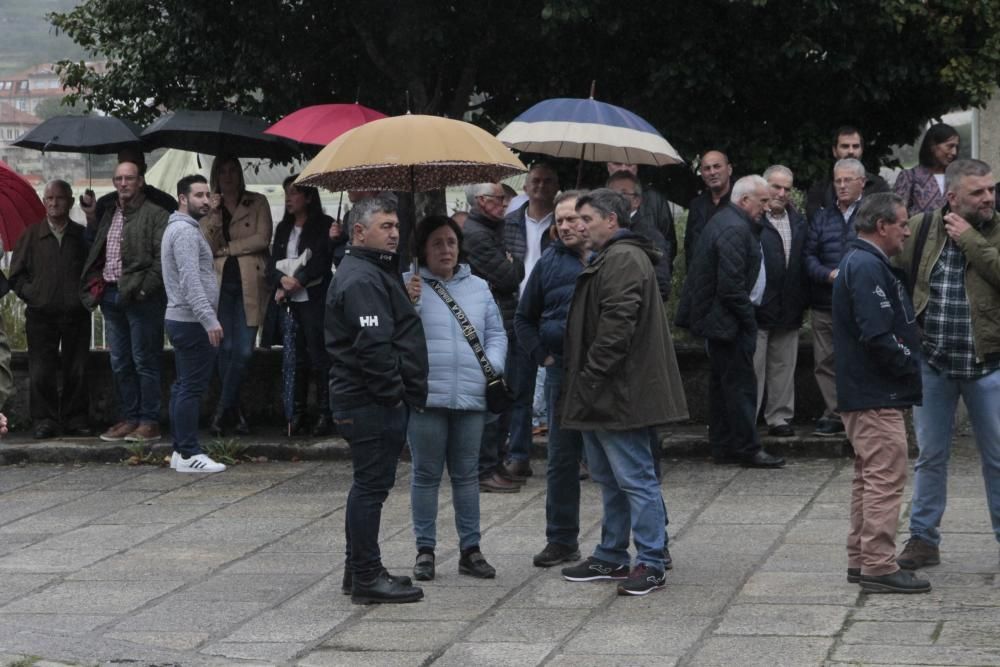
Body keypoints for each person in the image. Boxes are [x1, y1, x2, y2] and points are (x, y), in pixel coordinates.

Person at [560, 189, 684, 596]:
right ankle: (612, 554)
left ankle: (650, 560)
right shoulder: (611, 258)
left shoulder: (624, 259)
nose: (579, 226)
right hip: (605, 392)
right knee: (610, 478)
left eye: (587, 219)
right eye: (576, 220)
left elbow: (617, 328)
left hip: (619, 393)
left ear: (611, 220)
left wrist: (590, 379)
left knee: (634, 477)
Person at [894, 159, 1000, 571]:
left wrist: (972, 239)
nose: (988, 198)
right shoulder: (922, 227)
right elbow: (893, 270)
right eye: (978, 192)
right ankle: (923, 539)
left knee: (997, 457)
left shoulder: (993, 230)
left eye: (990, 190)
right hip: (933, 362)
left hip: (988, 364)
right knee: (931, 455)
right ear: (952, 197)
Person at [326, 194, 428, 605]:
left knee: (368, 487)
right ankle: (366, 575)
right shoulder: (361, 277)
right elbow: (373, 346)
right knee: (370, 488)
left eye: (396, 226)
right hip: (368, 402)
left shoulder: (371, 272)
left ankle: (360, 569)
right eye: (385, 227)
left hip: (368, 399)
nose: (394, 234)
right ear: (359, 231)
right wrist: (393, 397)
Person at [832, 192, 929, 593]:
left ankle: (862, 558)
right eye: (903, 223)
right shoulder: (867, 266)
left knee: (868, 476)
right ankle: (878, 564)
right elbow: (878, 334)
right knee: (885, 477)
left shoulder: (861, 262)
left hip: (866, 392)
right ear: (881, 226)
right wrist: (910, 359)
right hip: (875, 393)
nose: (907, 231)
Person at [403, 215, 506, 581]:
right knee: (426, 475)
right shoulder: (408, 286)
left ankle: (471, 549)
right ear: (422, 250)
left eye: (451, 242)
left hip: (471, 395)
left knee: (466, 475)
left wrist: (490, 367)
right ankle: (425, 550)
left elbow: (496, 333)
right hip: (426, 397)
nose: (445, 250)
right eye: (436, 243)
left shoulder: (479, 286)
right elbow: (397, 336)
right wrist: (408, 303)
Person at [676, 176, 785, 468]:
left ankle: (724, 446)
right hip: (730, 322)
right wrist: (749, 320)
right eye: (762, 201)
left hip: (723, 321)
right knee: (739, 387)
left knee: (724, 386)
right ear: (745, 200)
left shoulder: (730, 222)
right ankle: (748, 448)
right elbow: (731, 286)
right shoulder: (735, 228)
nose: (767, 206)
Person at [515, 190, 589, 568]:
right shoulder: (549, 263)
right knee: (561, 459)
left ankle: (650, 538)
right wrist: (542, 356)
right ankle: (561, 539)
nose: (565, 225)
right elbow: (524, 318)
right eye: (559, 221)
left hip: (605, 373)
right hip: (562, 370)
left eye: (573, 218)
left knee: (623, 459)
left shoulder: (613, 258)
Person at [82, 161, 169, 444]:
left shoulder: (156, 214)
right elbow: (94, 246)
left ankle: (149, 421)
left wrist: (144, 290)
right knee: (120, 361)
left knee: (145, 360)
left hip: (141, 297)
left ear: (140, 181)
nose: (122, 183)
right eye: (118, 178)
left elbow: (161, 260)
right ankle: (130, 418)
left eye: (128, 178)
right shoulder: (109, 212)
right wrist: (91, 216)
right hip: (110, 294)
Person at [9, 179, 92, 439]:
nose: (54, 203)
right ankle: (43, 420)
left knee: (77, 368)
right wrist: (34, 296)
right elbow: (16, 275)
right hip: (41, 315)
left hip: (76, 313)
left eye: (59, 198)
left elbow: (94, 270)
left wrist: (84, 298)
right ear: (44, 202)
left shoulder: (81, 235)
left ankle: (75, 418)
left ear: (69, 200)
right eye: (49, 198)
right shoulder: (32, 235)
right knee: (41, 371)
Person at [199, 155, 273, 437]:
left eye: (232, 170)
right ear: (215, 175)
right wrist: (215, 215)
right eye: (222, 171)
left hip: (249, 284)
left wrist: (230, 248)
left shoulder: (257, 202)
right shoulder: (209, 208)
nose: (228, 176)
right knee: (223, 350)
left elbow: (262, 238)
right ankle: (236, 411)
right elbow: (207, 243)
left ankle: (221, 410)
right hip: (219, 286)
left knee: (243, 350)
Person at [461, 182, 525, 493]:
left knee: (503, 399)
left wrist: (513, 264)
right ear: (482, 201)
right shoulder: (477, 235)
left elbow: (513, 271)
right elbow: (510, 276)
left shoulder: (492, 229)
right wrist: (512, 263)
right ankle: (484, 467)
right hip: (493, 322)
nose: (505, 204)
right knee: (492, 397)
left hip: (504, 317)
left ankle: (495, 462)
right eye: (500, 199)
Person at [162, 175, 226, 474]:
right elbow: (191, 280)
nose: (205, 200)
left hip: (182, 319)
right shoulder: (185, 233)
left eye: (207, 194)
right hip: (190, 321)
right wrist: (208, 318)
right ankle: (189, 452)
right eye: (198, 195)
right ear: (182, 198)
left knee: (183, 385)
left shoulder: (183, 229)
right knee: (191, 387)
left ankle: (179, 450)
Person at [804, 158, 867, 437]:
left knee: (859, 358)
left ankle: (860, 412)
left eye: (847, 180)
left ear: (861, 183)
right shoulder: (822, 216)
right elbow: (808, 256)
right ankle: (834, 413)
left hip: (860, 302)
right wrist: (827, 274)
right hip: (825, 301)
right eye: (838, 180)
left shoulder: (872, 213)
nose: (841, 185)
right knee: (825, 360)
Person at [503, 163, 558, 481]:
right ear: (525, 186)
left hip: (552, 311)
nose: (540, 186)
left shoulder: (564, 223)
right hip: (519, 313)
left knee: (558, 389)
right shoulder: (509, 224)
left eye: (548, 180)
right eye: (535, 180)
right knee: (519, 390)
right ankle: (519, 454)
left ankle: (563, 455)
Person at [270, 175, 334, 436]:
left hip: (313, 298)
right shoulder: (283, 228)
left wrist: (301, 279)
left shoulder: (324, 225)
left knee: (319, 355)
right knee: (294, 356)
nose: (289, 198)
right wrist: (280, 281)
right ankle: (295, 412)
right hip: (289, 299)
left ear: (308, 196)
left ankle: (324, 412)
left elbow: (321, 259)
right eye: (286, 193)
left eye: (294, 193)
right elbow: (273, 260)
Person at [753, 165, 808, 437]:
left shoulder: (798, 221)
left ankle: (779, 417)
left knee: (784, 366)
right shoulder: (753, 220)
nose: (782, 193)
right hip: (759, 306)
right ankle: (748, 419)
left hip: (789, 305)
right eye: (776, 186)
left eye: (787, 188)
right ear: (764, 186)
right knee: (754, 367)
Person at [80, 146, 177, 246]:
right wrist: (91, 216)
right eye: (122, 163)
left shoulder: (164, 202)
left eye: (132, 163)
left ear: (143, 168)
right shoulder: (106, 203)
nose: (127, 167)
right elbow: (93, 243)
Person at [805, 126, 889, 220]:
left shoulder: (879, 187)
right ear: (834, 151)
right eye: (845, 146)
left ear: (862, 150)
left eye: (856, 146)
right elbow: (815, 223)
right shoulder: (819, 189)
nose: (851, 151)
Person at [606, 161, 677, 272]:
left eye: (629, 164)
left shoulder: (655, 200)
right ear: (608, 166)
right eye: (617, 163)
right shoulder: (596, 202)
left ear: (637, 167)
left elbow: (669, 242)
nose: (623, 169)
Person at [893, 123, 961, 216]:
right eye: (950, 146)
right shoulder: (910, 177)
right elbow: (896, 215)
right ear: (932, 145)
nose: (954, 152)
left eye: (956, 147)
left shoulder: (957, 177)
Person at [684, 150, 733, 270]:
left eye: (717, 166)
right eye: (707, 169)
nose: (712, 172)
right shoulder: (696, 205)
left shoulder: (741, 202)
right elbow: (689, 244)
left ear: (729, 169)